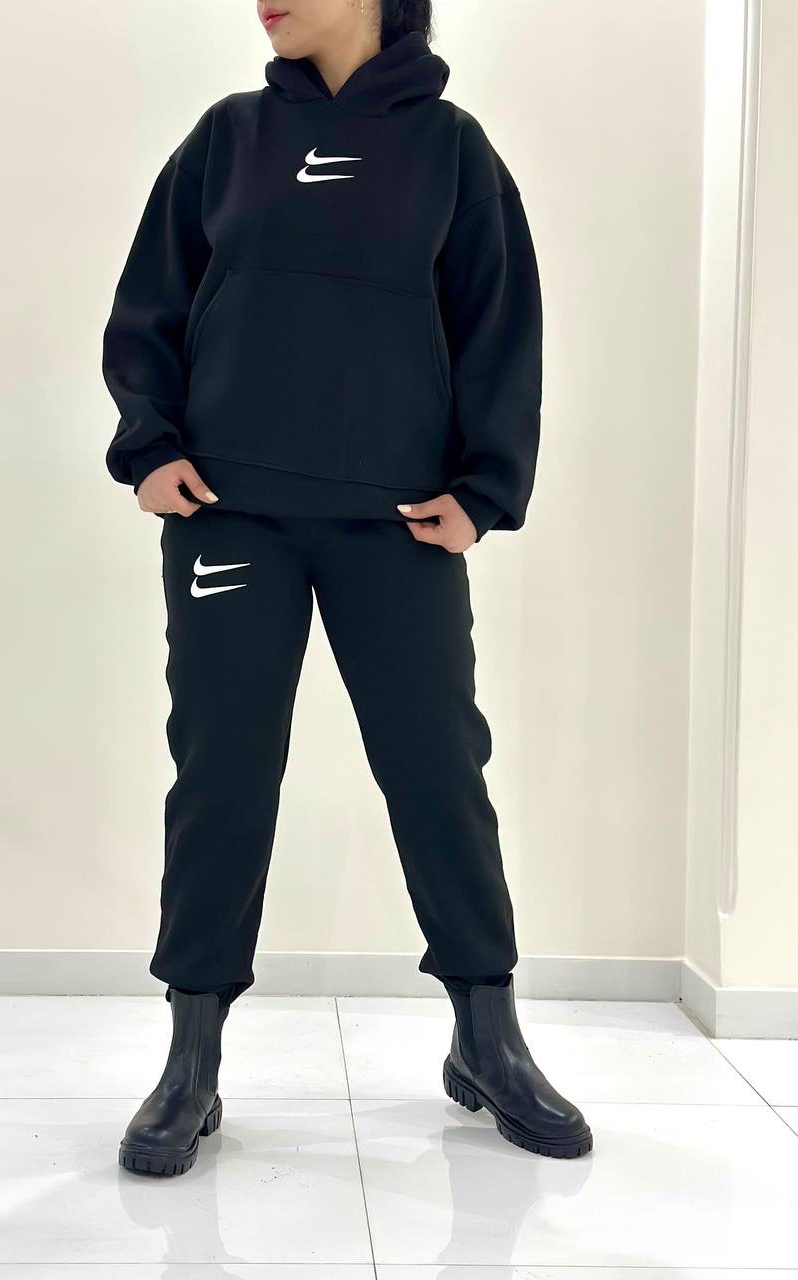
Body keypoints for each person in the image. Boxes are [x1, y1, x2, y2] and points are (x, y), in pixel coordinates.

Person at [102, 0, 592, 1178]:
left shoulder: (451, 149)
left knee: (437, 766)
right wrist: (149, 445)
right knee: (221, 772)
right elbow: (149, 304)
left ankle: (487, 1034)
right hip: (230, 514)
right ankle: (191, 1056)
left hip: (398, 525)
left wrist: (485, 487)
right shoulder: (226, 139)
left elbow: (500, 323)